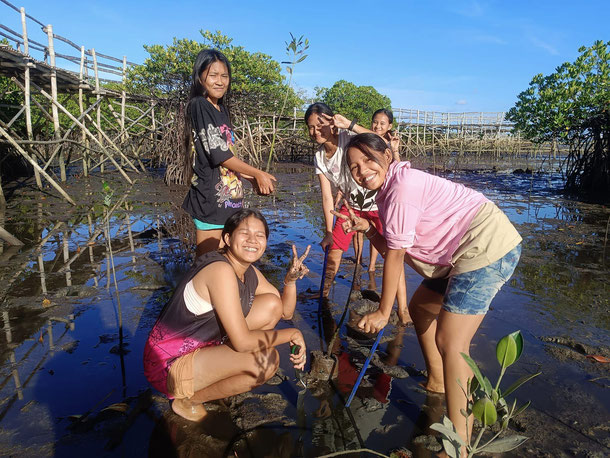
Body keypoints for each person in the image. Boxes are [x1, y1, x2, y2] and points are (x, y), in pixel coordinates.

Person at [336, 133, 522, 451]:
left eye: (368, 159)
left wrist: (384, 312)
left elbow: (394, 257)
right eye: (353, 167)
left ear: (387, 156)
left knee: (451, 341)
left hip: (483, 245)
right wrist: (367, 229)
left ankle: (460, 446)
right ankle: (437, 381)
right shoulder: (386, 192)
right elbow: (396, 247)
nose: (362, 170)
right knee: (422, 307)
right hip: (456, 254)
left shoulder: (402, 188)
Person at [143, 209, 310, 422]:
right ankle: (188, 401)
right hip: (168, 366)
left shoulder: (248, 271)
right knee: (266, 360)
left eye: (260, 235)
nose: (252, 240)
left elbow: (284, 311)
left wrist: (290, 281)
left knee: (271, 305)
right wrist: (293, 334)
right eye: (245, 233)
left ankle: (222, 372)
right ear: (227, 238)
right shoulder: (220, 271)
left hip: (200, 348)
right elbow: (242, 343)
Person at [304, 103, 410, 324]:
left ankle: (403, 310)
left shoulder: (347, 137)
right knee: (334, 250)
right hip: (350, 208)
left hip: (378, 205)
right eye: (311, 127)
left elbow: (380, 142)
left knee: (392, 257)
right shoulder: (319, 158)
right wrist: (328, 230)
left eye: (320, 125)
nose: (316, 132)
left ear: (332, 123)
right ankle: (324, 293)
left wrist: (350, 125)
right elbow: (326, 196)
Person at [181, 49, 277, 257]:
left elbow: (227, 158)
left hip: (229, 201)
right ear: (200, 77)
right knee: (207, 264)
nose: (220, 81)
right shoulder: (199, 105)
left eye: (224, 76)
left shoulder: (221, 110)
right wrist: (258, 173)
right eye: (213, 75)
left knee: (227, 261)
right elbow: (218, 154)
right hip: (210, 201)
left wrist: (250, 178)